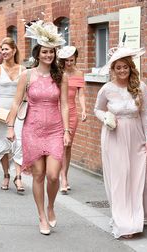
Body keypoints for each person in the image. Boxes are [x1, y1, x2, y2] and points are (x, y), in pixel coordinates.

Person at [7, 20, 71, 235]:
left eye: (51, 52)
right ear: (38, 53)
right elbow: (16, 102)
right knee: (38, 174)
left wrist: (66, 131)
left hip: (54, 130)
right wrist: (10, 126)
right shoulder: (27, 75)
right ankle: (41, 216)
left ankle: (51, 206)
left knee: (53, 175)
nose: (48, 56)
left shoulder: (61, 76)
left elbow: (64, 104)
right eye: (45, 52)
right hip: (32, 129)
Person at [94, 44, 147, 239]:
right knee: (120, 178)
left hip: (136, 136)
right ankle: (124, 221)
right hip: (114, 137)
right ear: (112, 69)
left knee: (137, 177)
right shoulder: (106, 89)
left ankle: (137, 215)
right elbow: (97, 109)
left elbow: (145, 115)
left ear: (131, 67)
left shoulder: (140, 87)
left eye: (125, 67)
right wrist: (106, 118)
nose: (122, 70)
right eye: (118, 67)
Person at [0, 37, 26, 192]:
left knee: (18, 142)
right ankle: (6, 174)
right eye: (2, 49)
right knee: (5, 144)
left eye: (6, 49)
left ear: (14, 50)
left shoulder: (23, 70)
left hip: (18, 109)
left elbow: (25, 92)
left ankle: (18, 177)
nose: (3, 52)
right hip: (1, 110)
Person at [57, 46, 87, 193]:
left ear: (75, 59)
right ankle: (56, 173)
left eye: (72, 60)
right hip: (57, 111)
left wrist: (84, 109)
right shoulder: (58, 73)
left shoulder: (79, 73)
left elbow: (81, 94)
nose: (69, 63)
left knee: (67, 145)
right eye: (66, 61)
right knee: (58, 145)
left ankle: (64, 176)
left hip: (72, 113)